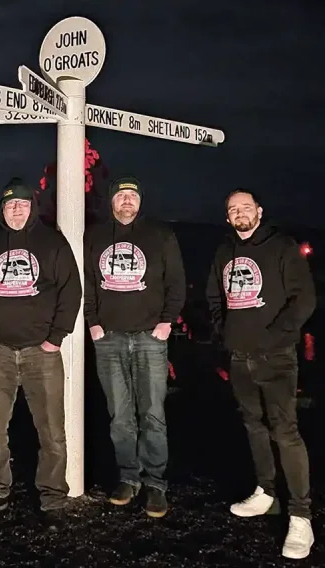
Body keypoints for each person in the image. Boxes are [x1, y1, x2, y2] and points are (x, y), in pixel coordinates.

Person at [205, 188, 317, 559]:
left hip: (277, 357)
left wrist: (278, 335)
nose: (240, 213)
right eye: (233, 209)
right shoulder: (224, 251)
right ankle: (266, 493)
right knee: (253, 424)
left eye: (246, 207)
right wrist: (225, 333)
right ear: (227, 217)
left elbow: (304, 298)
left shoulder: (281, 246)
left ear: (259, 211)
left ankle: (301, 516)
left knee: (285, 431)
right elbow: (214, 297)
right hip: (239, 356)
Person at [0, 178, 82, 523]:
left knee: (51, 430)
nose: (16, 209)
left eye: (22, 203)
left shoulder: (52, 243)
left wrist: (55, 338)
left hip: (41, 353)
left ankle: (52, 497)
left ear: (33, 207)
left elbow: (70, 292)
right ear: (2, 210)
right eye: (10, 204)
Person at [84, 176, 186, 518]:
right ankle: (129, 477)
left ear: (139, 202)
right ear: (112, 201)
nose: (127, 200)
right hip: (108, 338)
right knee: (119, 416)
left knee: (153, 414)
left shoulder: (160, 235)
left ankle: (156, 483)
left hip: (149, 337)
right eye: (121, 195)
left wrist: (166, 321)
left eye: (132, 196)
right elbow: (87, 281)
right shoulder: (96, 236)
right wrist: (93, 323)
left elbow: (176, 282)